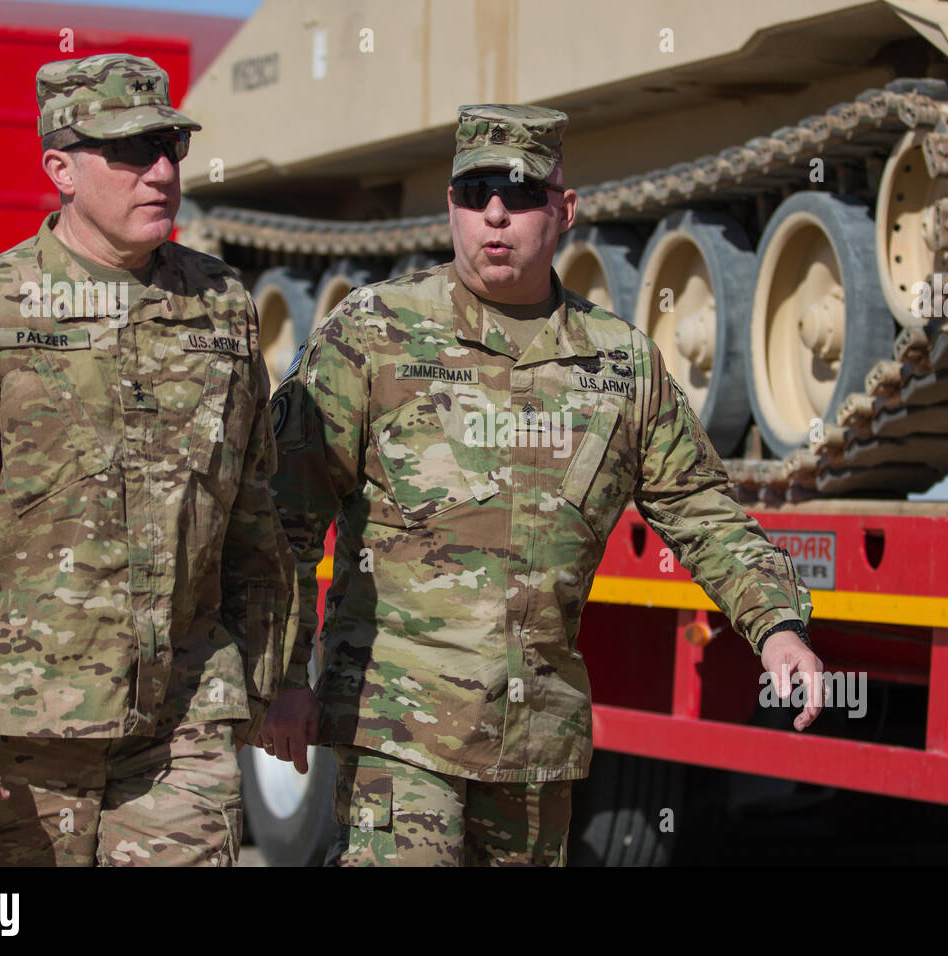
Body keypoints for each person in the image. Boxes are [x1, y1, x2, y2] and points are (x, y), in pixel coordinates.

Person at [265, 104, 820, 866]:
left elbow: (699, 507)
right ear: (451, 207)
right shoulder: (372, 335)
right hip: (396, 728)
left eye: (522, 193)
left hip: (535, 744)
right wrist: (285, 677)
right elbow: (287, 518)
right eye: (476, 191)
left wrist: (777, 625)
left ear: (563, 211)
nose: (497, 213)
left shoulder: (620, 364)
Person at [0, 53, 297, 866]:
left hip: (182, 727)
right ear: (59, 168)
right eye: (130, 152)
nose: (162, 171)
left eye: (169, 145)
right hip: (23, 732)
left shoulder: (221, 308)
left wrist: (277, 682)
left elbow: (253, 520)